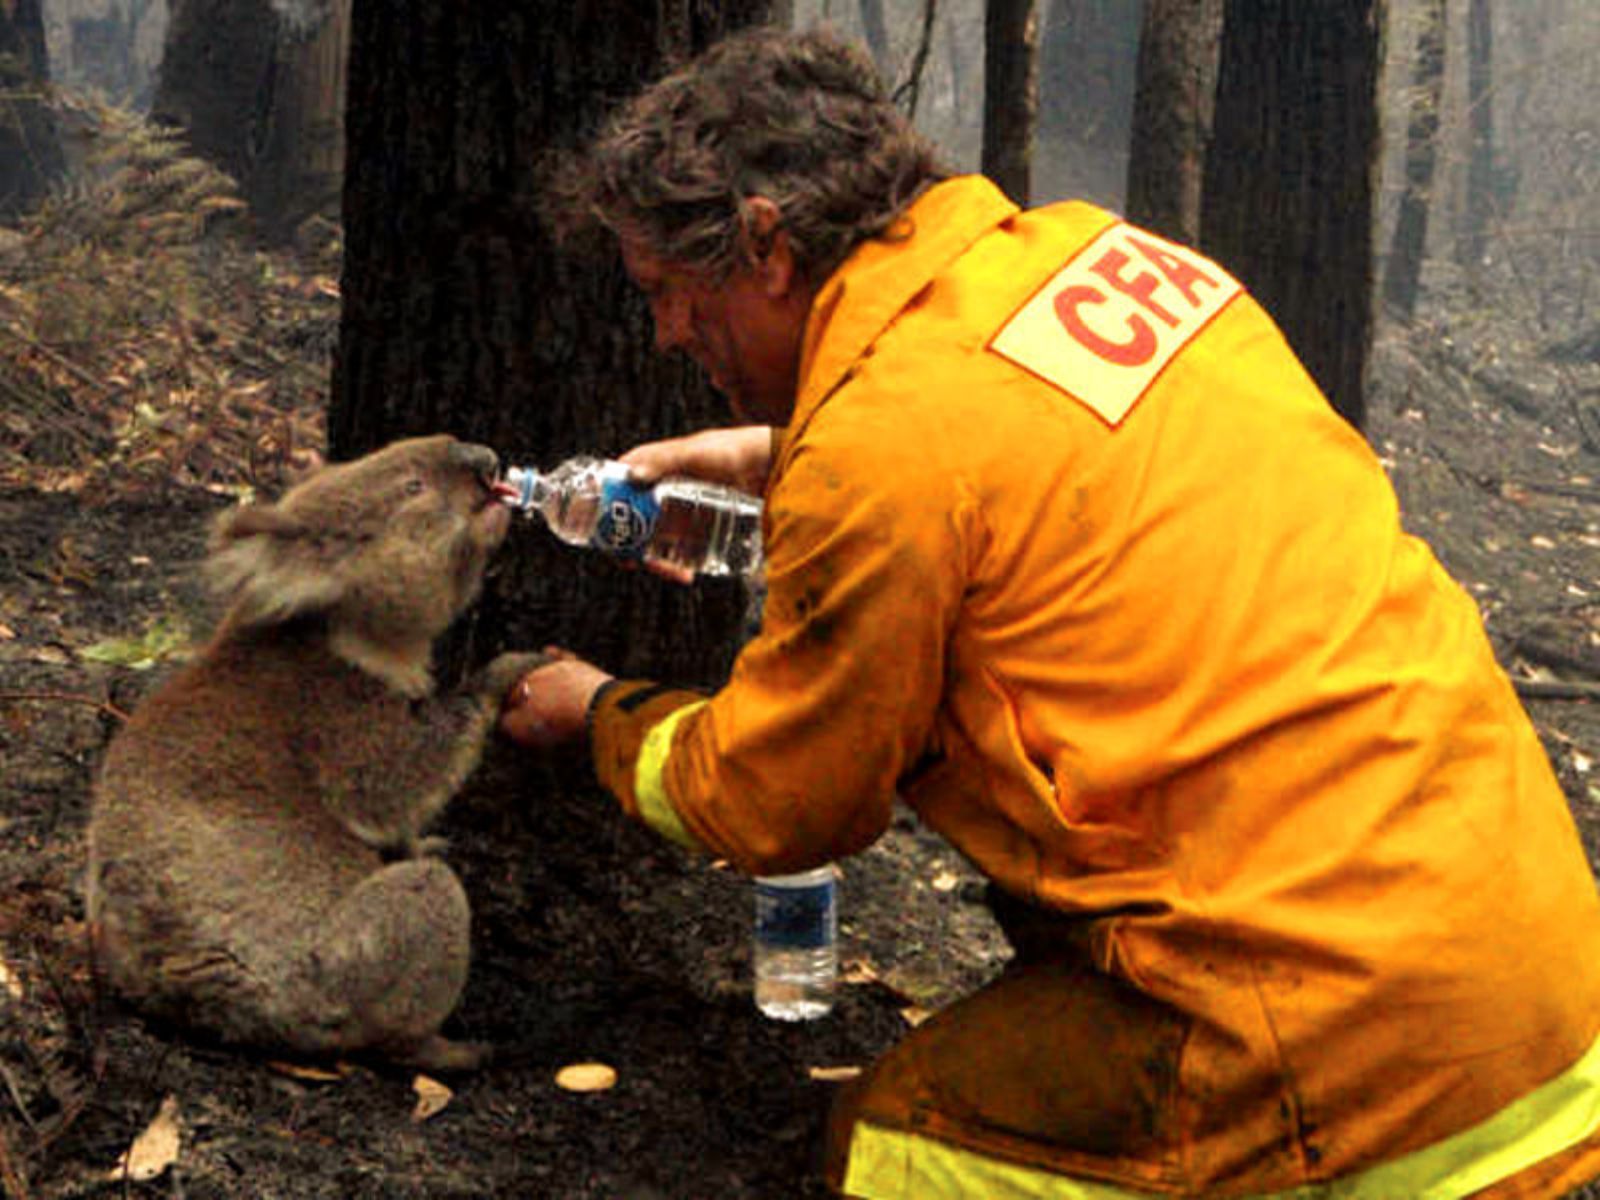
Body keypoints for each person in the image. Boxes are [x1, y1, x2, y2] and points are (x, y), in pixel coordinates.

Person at [500, 24, 1600, 1199]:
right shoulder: (1101, 259)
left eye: (669, 293)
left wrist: (600, 712)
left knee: (898, 1151)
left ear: (765, 246)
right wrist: (780, 456)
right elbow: (1026, 459)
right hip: (1536, 972)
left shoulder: (883, 454)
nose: (666, 335)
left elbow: (781, 800)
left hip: (1337, 1038)